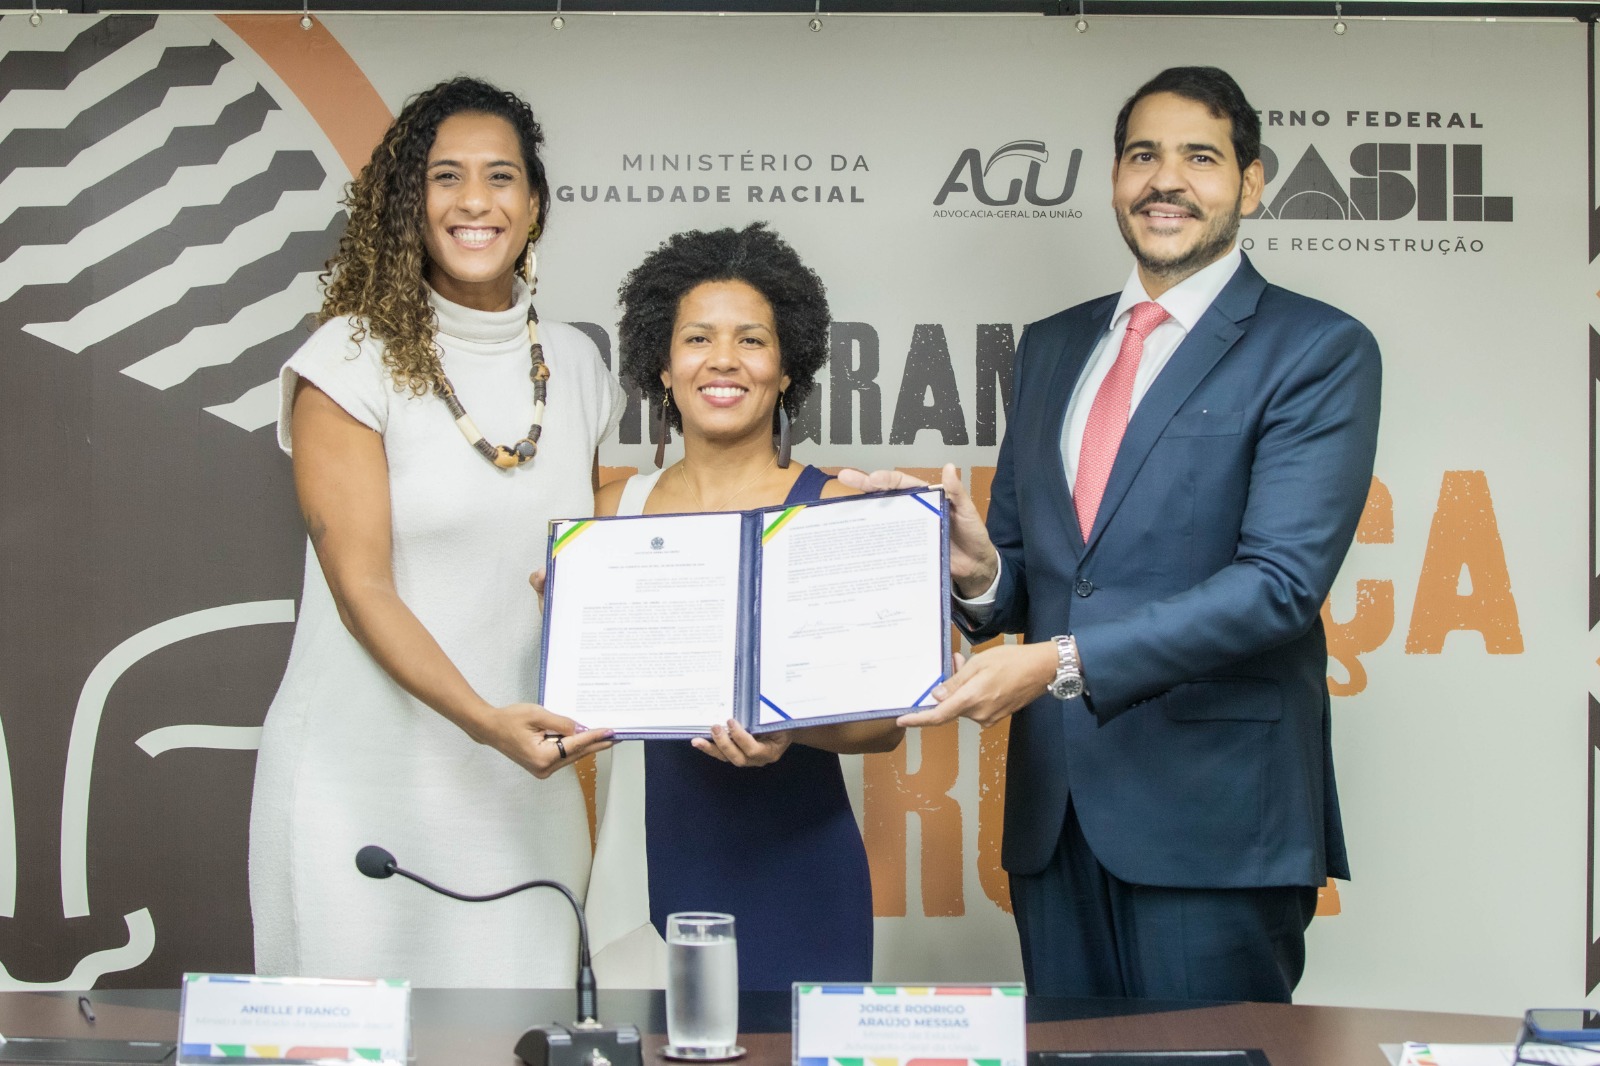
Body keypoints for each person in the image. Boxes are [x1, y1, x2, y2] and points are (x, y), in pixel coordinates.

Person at [843, 66, 1381, 1003]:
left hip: (1214, 821)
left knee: (1209, 1065)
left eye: (1200, 158)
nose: (1165, 181)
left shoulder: (1316, 348)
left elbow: (1279, 587)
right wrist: (975, 568)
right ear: (1115, 179)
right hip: (1057, 821)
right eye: (1143, 156)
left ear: (1252, 183)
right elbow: (1028, 579)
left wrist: (1058, 662)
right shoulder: (1054, 347)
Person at [249, 77, 622, 986]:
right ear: (407, 203)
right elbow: (361, 589)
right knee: (356, 1039)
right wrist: (484, 722)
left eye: (501, 176)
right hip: (363, 784)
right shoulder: (349, 357)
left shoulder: (577, 364)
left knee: (523, 1032)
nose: (474, 201)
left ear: (535, 205)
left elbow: (597, 555)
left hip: (523, 786)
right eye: (445, 176)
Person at [582, 222, 902, 992]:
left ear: (787, 369)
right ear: (663, 365)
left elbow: (885, 726)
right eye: (697, 338)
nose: (723, 359)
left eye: (751, 340)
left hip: (800, 864)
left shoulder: (835, 507)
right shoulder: (611, 513)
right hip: (646, 862)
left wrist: (788, 731)